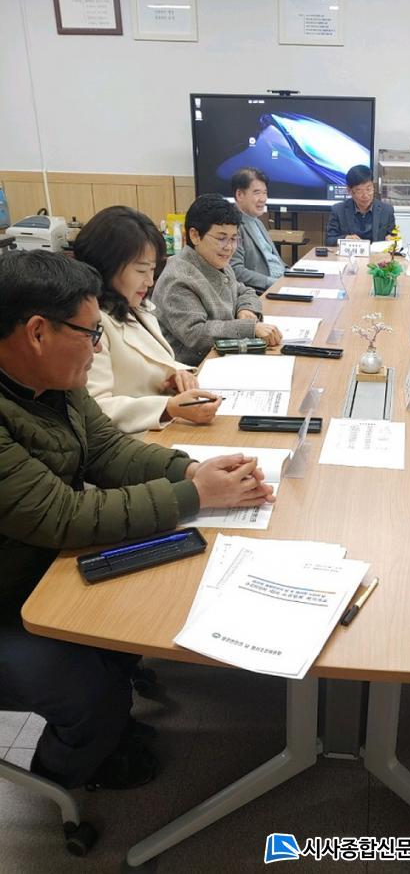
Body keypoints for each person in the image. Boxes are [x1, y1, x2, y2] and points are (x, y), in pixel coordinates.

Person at [0, 249, 274, 790]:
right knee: (86, 689)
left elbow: (107, 450)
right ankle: (61, 775)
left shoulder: (55, 382)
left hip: (36, 566)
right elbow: (61, 515)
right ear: (37, 332)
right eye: (90, 334)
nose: (98, 347)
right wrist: (194, 495)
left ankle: (108, 728)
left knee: (126, 630)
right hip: (8, 593)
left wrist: (191, 469)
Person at [74, 205, 221, 434]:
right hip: (128, 441)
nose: (150, 281)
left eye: (153, 270)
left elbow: (154, 361)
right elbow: (95, 409)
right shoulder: (91, 323)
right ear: (107, 265)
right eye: (141, 271)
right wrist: (167, 408)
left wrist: (177, 375)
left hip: (160, 431)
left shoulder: (135, 307)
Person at [152, 195, 282, 365]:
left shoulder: (216, 261)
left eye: (234, 238)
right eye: (221, 238)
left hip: (226, 356)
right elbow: (196, 333)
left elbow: (244, 291)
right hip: (194, 368)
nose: (229, 247)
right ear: (195, 235)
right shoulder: (178, 277)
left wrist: (245, 309)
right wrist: (250, 328)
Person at [229, 168, 287, 292]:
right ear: (239, 195)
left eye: (265, 193)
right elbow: (236, 270)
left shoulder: (257, 221)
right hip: (262, 291)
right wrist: (273, 283)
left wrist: (293, 274)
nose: (263, 199)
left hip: (281, 282)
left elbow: (276, 261)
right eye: (257, 193)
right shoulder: (233, 225)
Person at [325, 165, 396, 246]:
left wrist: (391, 240)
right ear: (349, 191)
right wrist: (345, 238)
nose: (365, 195)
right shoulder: (338, 210)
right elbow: (329, 240)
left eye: (369, 189)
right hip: (351, 253)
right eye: (359, 191)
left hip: (376, 254)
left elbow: (393, 237)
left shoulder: (387, 210)